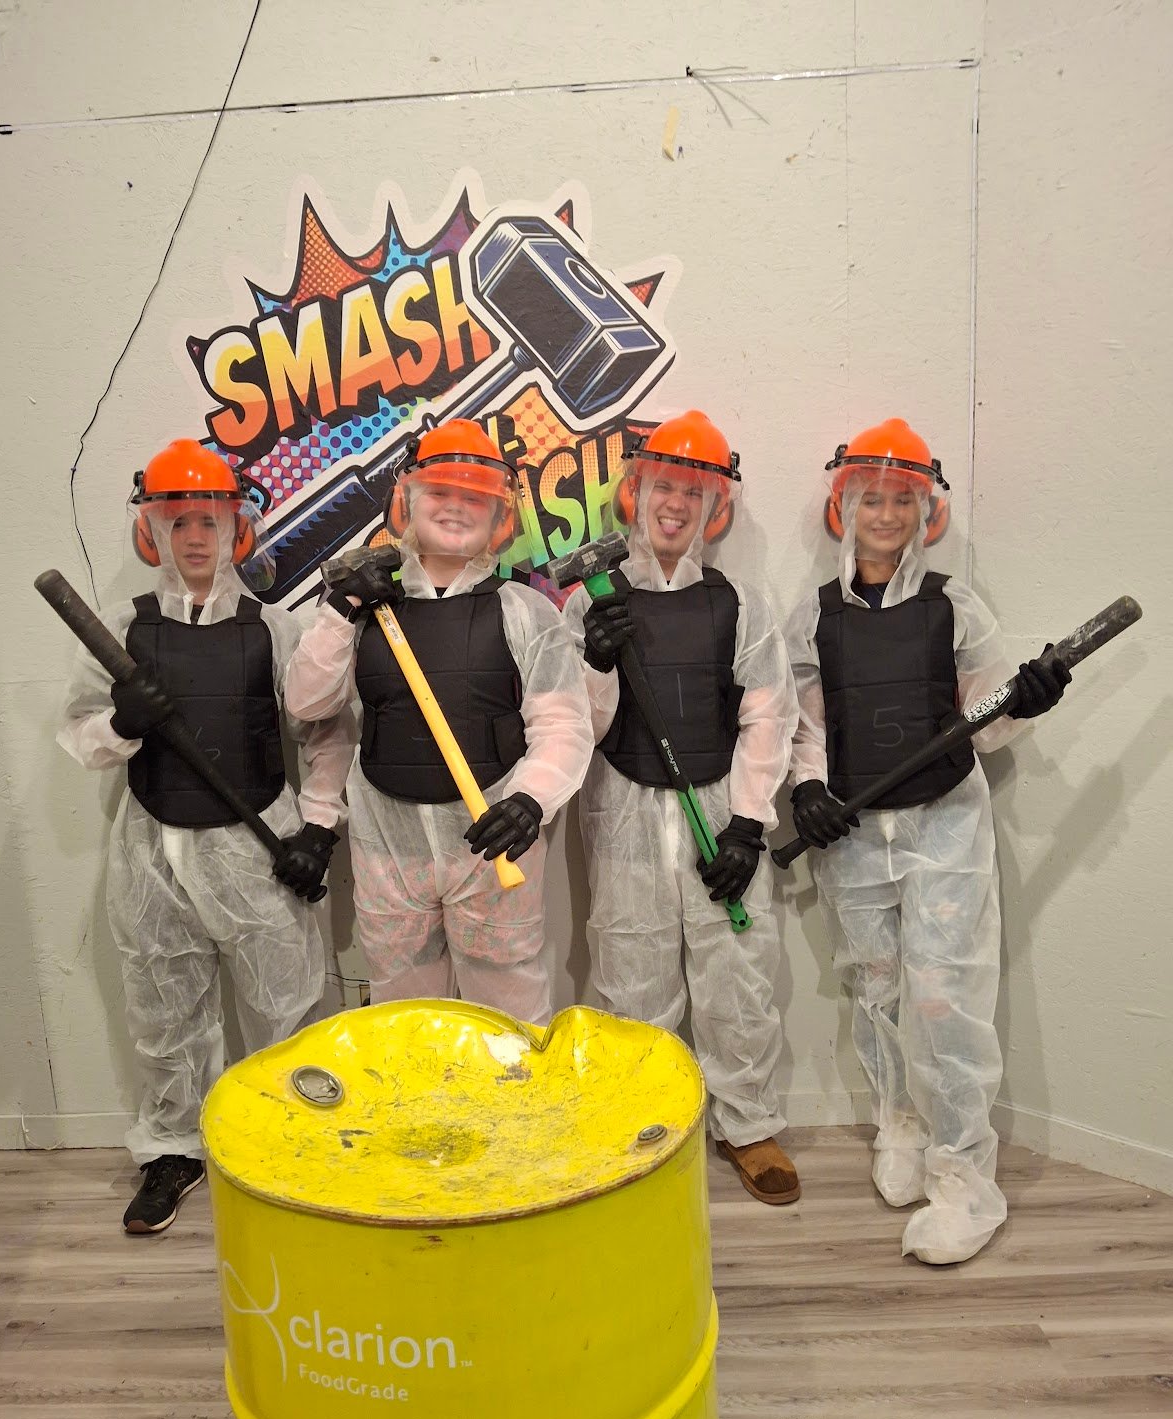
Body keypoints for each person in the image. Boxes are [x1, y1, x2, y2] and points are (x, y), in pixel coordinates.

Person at [785, 418, 1070, 1263]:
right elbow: (806, 724)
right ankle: (900, 1125)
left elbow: (986, 720)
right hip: (855, 832)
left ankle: (966, 1179)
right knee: (874, 987)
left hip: (944, 822)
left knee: (944, 997)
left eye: (901, 500)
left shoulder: (954, 607)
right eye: (870, 498)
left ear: (925, 512)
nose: (885, 514)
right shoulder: (814, 617)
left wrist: (1026, 700)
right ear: (844, 508)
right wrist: (806, 788)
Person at [58, 440, 352, 1235]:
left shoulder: (274, 630)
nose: (195, 537)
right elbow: (81, 735)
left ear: (237, 528)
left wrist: (318, 828)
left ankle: (298, 1139)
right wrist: (123, 721)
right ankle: (172, 1151)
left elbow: (325, 734)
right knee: (164, 1007)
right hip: (153, 848)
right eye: (177, 521)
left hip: (259, 846)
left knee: (287, 1005)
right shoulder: (123, 632)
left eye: (209, 520)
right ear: (150, 530)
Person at [562, 410, 801, 1204]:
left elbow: (767, 715)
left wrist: (747, 825)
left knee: (738, 973)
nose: (676, 504)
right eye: (664, 486)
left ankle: (749, 1125)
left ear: (714, 508)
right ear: (636, 493)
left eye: (694, 492)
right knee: (631, 975)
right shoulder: (590, 604)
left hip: (716, 805)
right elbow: (580, 728)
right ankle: (646, 1123)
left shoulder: (739, 603)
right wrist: (597, 659)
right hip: (625, 811)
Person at [285, 419, 593, 1024]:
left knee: (506, 1017)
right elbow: (307, 704)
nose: (455, 507)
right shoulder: (362, 610)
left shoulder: (525, 611)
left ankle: (509, 1094)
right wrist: (342, 609)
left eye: (474, 497)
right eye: (441, 492)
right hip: (388, 852)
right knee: (407, 1016)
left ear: (499, 516)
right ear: (407, 501)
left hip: (492, 847)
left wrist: (530, 800)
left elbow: (562, 723)